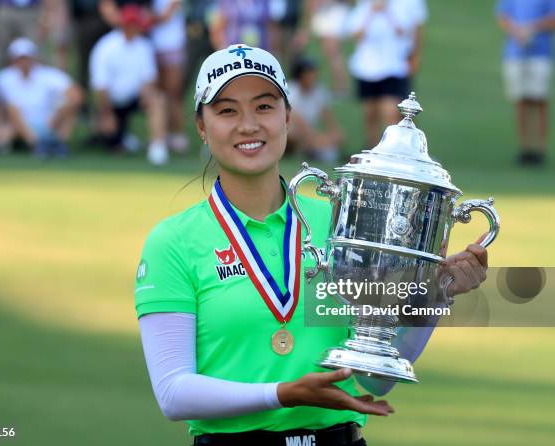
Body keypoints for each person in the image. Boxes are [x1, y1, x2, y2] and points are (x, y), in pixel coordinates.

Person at [135, 44, 490, 445]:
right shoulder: (174, 242)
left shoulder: (342, 222)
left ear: (288, 117)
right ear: (202, 126)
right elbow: (173, 393)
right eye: (227, 110)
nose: (248, 125)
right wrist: (283, 395)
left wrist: (435, 294)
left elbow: (379, 376)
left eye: (264, 107)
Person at [89, 4, 168, 163]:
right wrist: (106, 113)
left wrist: (147, 94)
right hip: (111, 103)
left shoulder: (144, 46)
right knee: (114, 146)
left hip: (134, 98)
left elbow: (149, 80)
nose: (133, 28)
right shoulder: (106, 47)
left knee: (157, 100)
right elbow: (100, 86)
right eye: (130, 24)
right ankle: (122, 137)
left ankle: (157, 146)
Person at [0, 38, 83, 158]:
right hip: (19, 126)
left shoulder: (48, 75)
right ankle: (38, 145)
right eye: (20, 58)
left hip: (49, 122)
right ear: (13, 59)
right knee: (12, 109)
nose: (23, 62)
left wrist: (57, 113)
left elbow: (76, 95)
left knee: (71, 106)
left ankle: (59, 144)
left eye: (26, 58)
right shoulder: (3, 79)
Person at [347, 0, 414, 148]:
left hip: (391, 68)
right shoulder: (363, 8)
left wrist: (387, 12)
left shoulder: (400, 7)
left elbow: (403, 31)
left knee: (390, 113)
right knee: (370, 114)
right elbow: (357, 34)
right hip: (366, 68)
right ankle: (371, 150)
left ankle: (393, 149)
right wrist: (371, 12)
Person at [496, 0, 555, 166]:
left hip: (540, 54)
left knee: (539, 101)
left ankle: (540, 149)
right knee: (520, 102)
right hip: (515, 53)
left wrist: (533, 28)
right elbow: (502, 16)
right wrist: (517, 31)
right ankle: (525, 148)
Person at [288, 56, 344, 162]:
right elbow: (299, 122)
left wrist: (334, 135)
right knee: (293, 135)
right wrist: (316, 138)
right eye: (309, 73)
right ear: (300, 75)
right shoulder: (291, 91)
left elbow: (329, 119)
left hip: (309, 136)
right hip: (293, 133)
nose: (313, 76)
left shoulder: (319, 92)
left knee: (331, 144)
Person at [152, 0, 189, 154]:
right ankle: (162, 133)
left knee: (173, 92)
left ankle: (177, 133)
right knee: (159, 93)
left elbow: (164, 16)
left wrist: (144, 19)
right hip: (153, 45)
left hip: (172, 45)